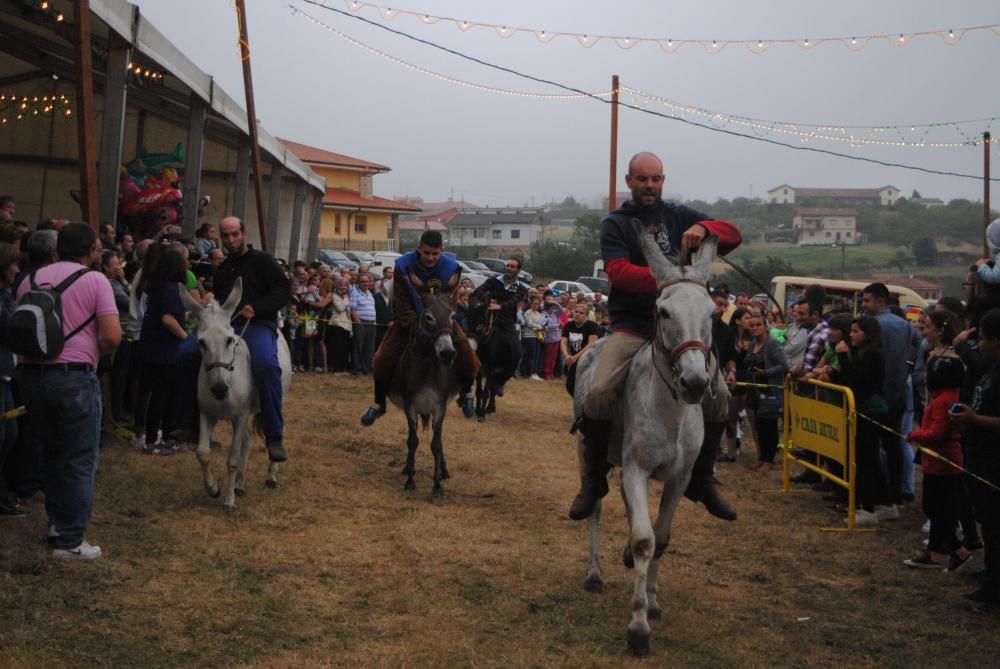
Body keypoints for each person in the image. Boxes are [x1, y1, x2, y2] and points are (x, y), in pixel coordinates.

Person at [571, 151, 742, 521]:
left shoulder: (679, 215)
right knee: (598, 392)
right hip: (634, 327)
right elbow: (617, 270)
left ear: (663, 180)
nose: (650, 186)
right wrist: (673, 280)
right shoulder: (615, 223)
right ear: (629, 181)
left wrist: (707, 229)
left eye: (656, 179)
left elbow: (734, 234)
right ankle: (594, 479)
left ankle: (702, 478)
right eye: (643, 179)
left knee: (721, 396)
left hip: (682, 333)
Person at [16, 223, 121, 558]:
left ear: (58, 248)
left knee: (51, 453)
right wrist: (89, 352)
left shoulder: (29, 280)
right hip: (74, 377)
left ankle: (56, 523)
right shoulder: (95, 280)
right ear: (91, 250)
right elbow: (112, 336)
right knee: (78, 458)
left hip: (31, 376)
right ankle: (70, 540)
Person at [172, 217, 291, 463]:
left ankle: (274, 435)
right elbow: (224, 301)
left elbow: (283, 291)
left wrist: (256, 308)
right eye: (225, 236)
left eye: (234, 234)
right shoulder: (223, 269)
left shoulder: (264, 261)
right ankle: (189, 423)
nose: (230, 240)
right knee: (185, 355)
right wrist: (210, 306)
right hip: (228, 325)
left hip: (258, 324)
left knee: (267, 365)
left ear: (244, 233)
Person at [360, 231, 479, 425]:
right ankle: (379, 403)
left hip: (441, 320)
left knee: (469, 355)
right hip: (410, 320)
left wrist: (443, 320)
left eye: (435, 254)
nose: (430, 258)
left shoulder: (451, 268)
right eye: (426, 253)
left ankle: (466, 392)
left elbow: (453, 300)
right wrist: (416, 324)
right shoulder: (402, 266)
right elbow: (402, 300)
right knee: (382, 357)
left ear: (442, 252)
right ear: (419, 249)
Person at [904, 349, 973, 571]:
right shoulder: (946, 397)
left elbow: (937, 433)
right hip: (938, 463)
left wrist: (914, 435)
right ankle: (934, 554)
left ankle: (959, 551)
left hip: (943, 463)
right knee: (936, 509)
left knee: (937, 509)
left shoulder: (944, 401)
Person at [950, 308, 1000, 606]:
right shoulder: (992, 368)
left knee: (996, 525)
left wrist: (975, 420)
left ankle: (993, 591)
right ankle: (990, 574)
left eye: (982, 339)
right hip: (980, 459)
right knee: (989, 525)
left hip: (995, 463)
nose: (979, 345)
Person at [827, 316, 891, 527]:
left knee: (865, 460)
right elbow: (849, 379)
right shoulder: (861, 354)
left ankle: (868, 508)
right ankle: (885, 504)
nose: (851, 335)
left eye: (856, 331)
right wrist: (834, 374)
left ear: (868, 334)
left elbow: (858, 382)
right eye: (851, 331)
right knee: (868, 459)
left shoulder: (874, 356)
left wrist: (843, 357)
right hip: (863, 409)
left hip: (870, 411)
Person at [863, 282, 921, 506]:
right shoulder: (904, 324)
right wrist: (908, 366)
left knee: (871, 447)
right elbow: (919, 344)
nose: (864, 305)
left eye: (867, 301)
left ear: (879, 300)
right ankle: (895, 492)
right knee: (894, 445)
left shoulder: (873, 324)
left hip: (878, 393)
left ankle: (880, 495)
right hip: (899, 391)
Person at [133, 245, 188, 454]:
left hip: (153, 350)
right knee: (160, 397)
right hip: (164, 352)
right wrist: (186, 339)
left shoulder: (159, 287)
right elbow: (168, 319)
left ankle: (166, 437)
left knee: (164, 396)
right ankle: (152, 442)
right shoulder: (170, 289)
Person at [469, 257, 528, 396]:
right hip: (488, 321)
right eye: (507, 265)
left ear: (518, 270)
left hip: (506, 324)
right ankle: (465, 378)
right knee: (469, 344)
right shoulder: (493, 281)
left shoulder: (521, 288)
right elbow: (476, 293)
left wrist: (500, 306)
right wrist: (486, 299)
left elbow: (514, 302)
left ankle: (500, 380)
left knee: (517, 352)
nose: (508, 268)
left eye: (512, 266)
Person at [742, 313, 789, 470]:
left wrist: (765, 372)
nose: (755, 328)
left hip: (770, 390)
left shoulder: (773, 343)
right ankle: (762, 458)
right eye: (752, 325)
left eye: (758, 325)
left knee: (769, 426)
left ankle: (769, 460)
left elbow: (783, 365)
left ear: (765, 326)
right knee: (759, 425)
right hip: (754, 390)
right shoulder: (752, 344)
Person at [0, 243, 21, 516]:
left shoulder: (7, 295)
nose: (18, 269)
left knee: (10, 434)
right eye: (14, 264)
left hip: (6, 374)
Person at [560, 302, 599, 396]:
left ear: (586, 315)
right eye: (576, 311)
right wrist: (566, 355)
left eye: (581, 313)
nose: (577, 314)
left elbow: (591, 344)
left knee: (586, 386)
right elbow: (563, 342)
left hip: (590, 360)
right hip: (574, 359)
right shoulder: (569, 325)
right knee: (570, 386)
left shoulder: (592, 326)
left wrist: (576, 357)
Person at [350, 272, 377, 375]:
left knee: (369, 347)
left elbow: (373, 309)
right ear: (359, 283)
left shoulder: (370, 293)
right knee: (358, 346)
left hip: (371, 323)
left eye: (367, 281)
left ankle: (366, 368)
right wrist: (358, 323)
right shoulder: (355, 293)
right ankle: (357, 369)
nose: (365, 283)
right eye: (363, 282)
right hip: (361, 322)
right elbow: (352, 310)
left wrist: (374, 322)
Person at [521, 297, 546, 380]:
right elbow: (529, 324)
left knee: (537, 354)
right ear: (531, 304)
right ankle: (530, 372)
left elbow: (543, 324)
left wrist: (540, 327)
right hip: (529, 336)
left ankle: (535, 372)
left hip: (538, 336)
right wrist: (539, 326)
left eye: (537, 304)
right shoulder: (527, 313)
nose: (536, 305)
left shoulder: (539, 314)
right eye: (534, 303)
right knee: (531, 354)